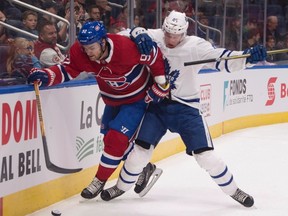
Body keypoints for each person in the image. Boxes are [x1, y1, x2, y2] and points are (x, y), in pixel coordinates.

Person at [101, 11, 267, 208]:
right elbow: (119, 38)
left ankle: (234, 190)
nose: (171, 39)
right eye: (168, 34)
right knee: (140, 152)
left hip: (186, 108)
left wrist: (248, 57)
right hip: (157, 106)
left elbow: (222, 58)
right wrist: (138, 33)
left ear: (184, 32)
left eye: (176, 35)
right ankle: (121, 187)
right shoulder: (155, 37)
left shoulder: (196, 46)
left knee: (206, 156)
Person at [26, 21, 170, 200]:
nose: (88, 52)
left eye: (92, 47)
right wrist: (46, 75)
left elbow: (153, 56)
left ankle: (99, 180)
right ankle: (143, 168)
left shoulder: (125, 48)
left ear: (103, 42)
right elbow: (67, 69)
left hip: (136, 100)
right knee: (111, 141)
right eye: (85, 48)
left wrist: (162, 83)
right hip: (111, 100)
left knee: (116, 138)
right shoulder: (81, 52)